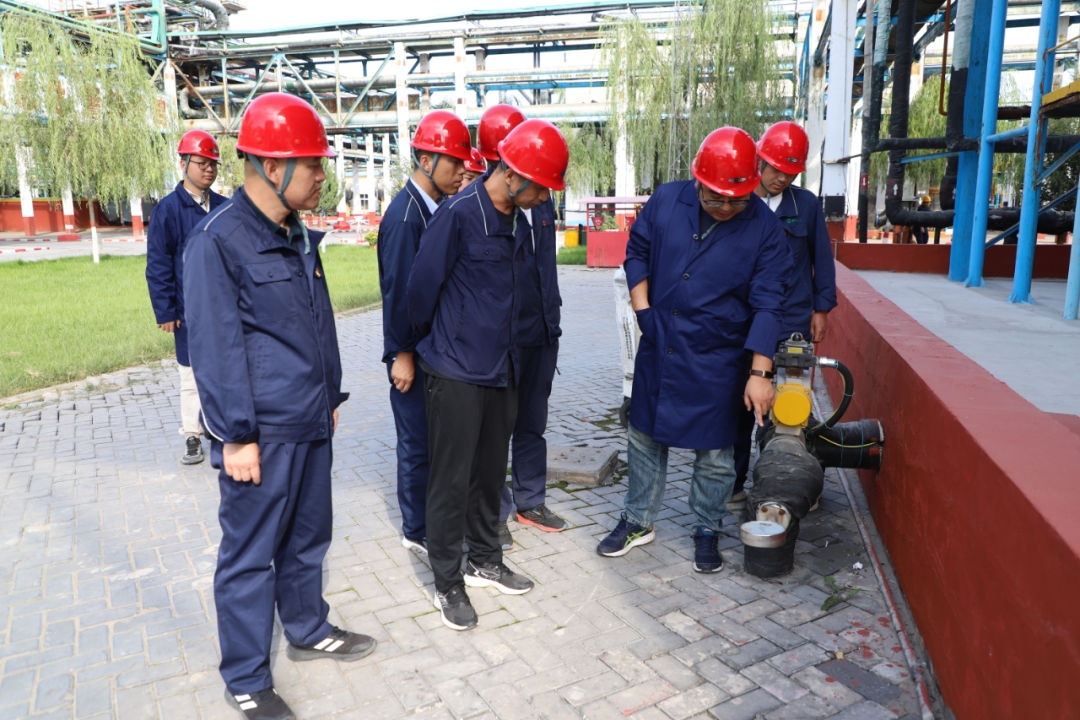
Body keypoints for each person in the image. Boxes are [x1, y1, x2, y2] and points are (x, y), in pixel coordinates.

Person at [183, 93, 375, 720]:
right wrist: (235, 436)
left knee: (308, 536)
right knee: (250, 554)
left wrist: (330, 397)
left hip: (309, 418)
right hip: (260, 433)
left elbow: (315, 325)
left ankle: (307, 627)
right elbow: (215, 349)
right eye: (313, 164)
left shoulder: (296, 233)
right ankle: (245, 676)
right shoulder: (218, 242)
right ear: (271, 166)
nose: (322, 176)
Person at [596, 127, 791, 574]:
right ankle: (637, 520)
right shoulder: (667, 200)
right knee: (644, 437)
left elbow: (769, 304)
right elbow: (637, 252)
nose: (725, 208)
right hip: (661, 343)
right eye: (715, 198)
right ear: (698, 180)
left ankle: (707, 526)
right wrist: (644, 312)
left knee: (717, 453)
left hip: (720, 355)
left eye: (736, 201)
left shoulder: (764, 227)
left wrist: (760, 374)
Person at [407, 119, 569, 631]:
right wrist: (413, 351)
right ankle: (447, 581)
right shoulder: (459, 215)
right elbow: (419, 292)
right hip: (456, 369)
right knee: (450, 480)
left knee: (489, 473)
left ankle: (484, 560)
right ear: (512, 174)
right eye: (539, 187)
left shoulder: (518, 218)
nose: (543, 198)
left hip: (504, 368)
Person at [727, 121, 837, 501]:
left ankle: (788, 478)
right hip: (746, 319)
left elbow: (821, 259)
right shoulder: (738, 202)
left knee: (791, 403)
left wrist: (821, 309)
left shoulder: (805, 205)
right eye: (776, 169)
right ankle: (735, 482)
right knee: (741, 402)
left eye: (790, 173)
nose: (781, 179)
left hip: (792, 319)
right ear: (760, 160)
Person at [377, 110, 471, 555]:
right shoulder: (405, 217)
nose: (461, 170)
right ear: (427, 160)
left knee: (434, 441)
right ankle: (416, 528)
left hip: (433, 350)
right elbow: (398, 292)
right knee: (416, 443)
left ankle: (434, 518)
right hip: (411, 353)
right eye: (454, 162)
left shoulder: (433, 208)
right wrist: (402, 354)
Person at [476, 104, 569, 548]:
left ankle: (530, 500)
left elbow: (546, 267)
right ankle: (493, 511)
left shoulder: (543, 198)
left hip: (541, 333)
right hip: (503, 340)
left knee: (533, 422)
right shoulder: (484, 204)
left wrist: (552, 319)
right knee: (494, 431)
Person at [145, 130, 227, 465]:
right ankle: (192, 435)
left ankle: (221, 430)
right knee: (191, 374)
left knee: (225, 370)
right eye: (201, 163)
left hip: (224, 309)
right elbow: (158, 264)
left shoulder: (224, 207)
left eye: (213, 164)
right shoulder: (167, 210)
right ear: (183, 164)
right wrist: (165, 310)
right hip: (188, 310)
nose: (208, 169)